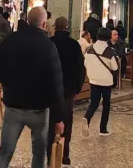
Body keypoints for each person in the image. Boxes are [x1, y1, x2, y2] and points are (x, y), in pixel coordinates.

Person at [0, 6, 64, 168]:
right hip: (39, 110)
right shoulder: (48, 46)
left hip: (13, 106)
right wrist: (58, 117)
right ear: (43, 24)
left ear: (28, 20)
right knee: (39, 153)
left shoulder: (11, 40)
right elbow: (56, 82)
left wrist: (5, 81)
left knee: (5, 152)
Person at [49, 17, 85, 166]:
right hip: (68, 90)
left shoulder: (49, 42)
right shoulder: (74, 45)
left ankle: (49, 152)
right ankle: (64, 154)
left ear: (55, 27)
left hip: (50, 90)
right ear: (67, 27)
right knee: (67, 121)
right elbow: (80, 69)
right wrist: (77, 88)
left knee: (51, 120)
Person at [82, 28, 118, 136]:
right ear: (108, 38)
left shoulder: (89, 49)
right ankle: (103, 129)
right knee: (106, 104)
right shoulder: (109, 51)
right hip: (106, 82)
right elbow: (115, 67)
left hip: (93, 80)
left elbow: (85, 64)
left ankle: (86, 118)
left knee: (94, 103)